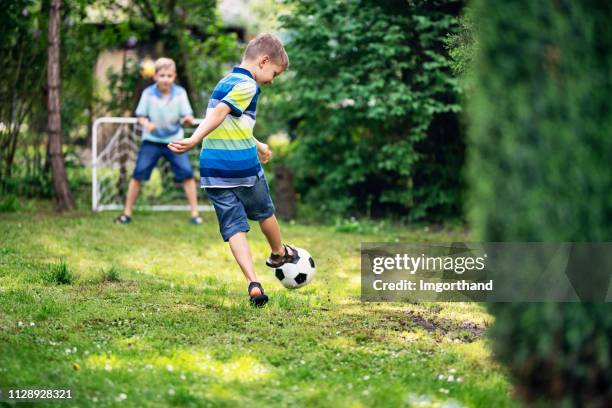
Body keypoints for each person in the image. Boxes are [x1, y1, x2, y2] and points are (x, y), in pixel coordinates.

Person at [168, 33, 296, 306]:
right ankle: (278, 253)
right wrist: (193, 138)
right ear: (263, 61)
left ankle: (253, 283)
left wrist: (258, 143)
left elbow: (229, 124)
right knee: (264, 212)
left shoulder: (225, 81)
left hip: (213, 170)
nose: (272, 80)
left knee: (233, 227)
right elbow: (219, 113)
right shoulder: (248, 85)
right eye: (273, 73)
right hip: (242, 167)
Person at [114, 57, 203, 225]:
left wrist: (187, 120)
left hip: (175, 140)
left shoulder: (180, 93)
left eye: (169, 75)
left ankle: (195, 214)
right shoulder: (148, 94)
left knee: (187, 175)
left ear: (174, 76)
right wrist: (147, 123)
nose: (165, 79)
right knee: (138, 174)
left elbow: (187, 115)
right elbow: (140, 116)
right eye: (162, 75)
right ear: (155, 76)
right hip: (152, 141)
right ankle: (126, 213)